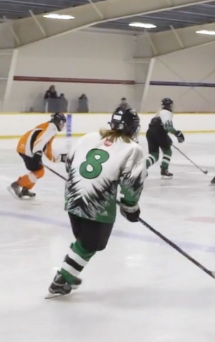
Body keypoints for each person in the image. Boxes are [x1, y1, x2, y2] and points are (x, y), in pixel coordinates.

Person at [47, 107, 146, 298]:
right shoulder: (133, 149)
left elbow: (70, 164)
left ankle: (71, 270)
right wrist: (130, 206)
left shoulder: (89, 137)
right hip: (97, 203)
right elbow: (132, 183)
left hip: (73, 195)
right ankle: (62, 279)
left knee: (84, 241)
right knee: (91, 244)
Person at [8, 113, 67, 199]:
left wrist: (59, 158)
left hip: (26, 147)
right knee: (39, 172)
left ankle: (25, 189)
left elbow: (47, 147)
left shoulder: (50, 127)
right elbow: (41, 140)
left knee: (38, 171)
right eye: (61, 123)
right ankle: (17, 184)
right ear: (57, 121)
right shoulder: (51, 128)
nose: (62, 125)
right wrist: (37, 153)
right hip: (27, 149)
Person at [146, 98, 185, 178]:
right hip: (159, 133)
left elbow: (157, 126)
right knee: (167, 151)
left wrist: (166, 137)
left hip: (150, 132)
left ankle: (142, 168)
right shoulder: (167, 113)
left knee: (154, 155)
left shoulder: (159, 112)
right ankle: (164, 169)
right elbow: (167, 127)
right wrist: (176, 133)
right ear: (169, 105)